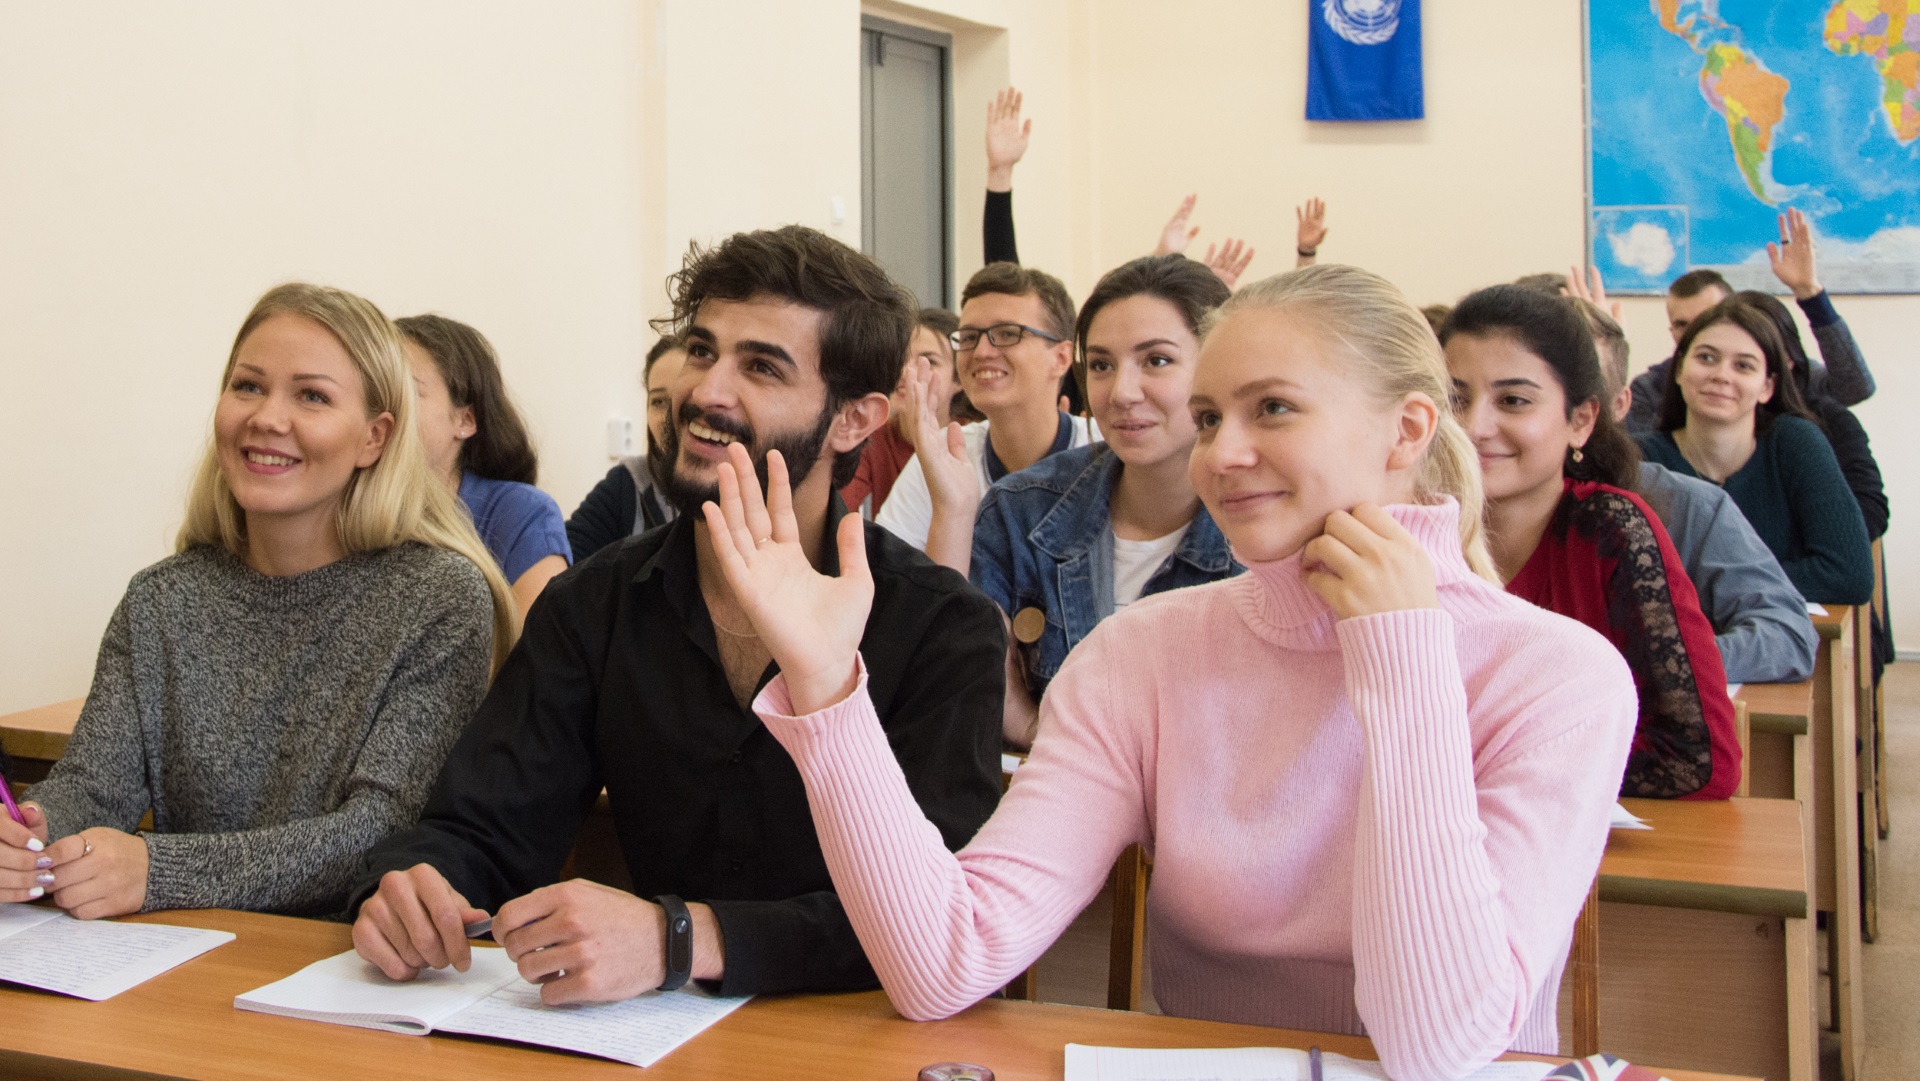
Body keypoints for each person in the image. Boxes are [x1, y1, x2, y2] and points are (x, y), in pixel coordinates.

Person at [713, 264, 1638, 1081]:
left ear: (1407, 429)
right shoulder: (1143, 653)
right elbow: (943, 960)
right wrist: (831, 684)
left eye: (1272, 407)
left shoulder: (1558, 677)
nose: (1221, 455)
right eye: (1208, 417)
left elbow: (1437, 1048)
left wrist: (1401, 661)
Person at [348, 226, 1005, 1006]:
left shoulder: (944, 629)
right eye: (701, 350)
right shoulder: (596, 603)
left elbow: (945, 913)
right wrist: (417, 886)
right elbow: (485, 827)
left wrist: (684, 937)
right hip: (648, 1043)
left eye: (760, 366)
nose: (705, 391)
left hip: (865, 1037)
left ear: (854, 419)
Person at [0, 284, 510, 919]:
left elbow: (381, 832)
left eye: (312, 396)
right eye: (247, 386)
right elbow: (93, 787)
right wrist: (34, 829)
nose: (267, 418)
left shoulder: (437, 598)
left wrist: (160, 870)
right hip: (184, 962)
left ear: (373, 439)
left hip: (348, 971)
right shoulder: (162, 600)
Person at [1443, 285, 1740, 799]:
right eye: (1455, 399)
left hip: (1576, 848)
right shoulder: (1401, 530)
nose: (1474, 427)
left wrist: (1495, 766)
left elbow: (1697, 758)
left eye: (1513, 401)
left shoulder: (1612, 533)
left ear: (1580, 421)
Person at [970, 255, 1238, 748]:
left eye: (1156, 360)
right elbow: (976, 684)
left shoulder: (1263, 527)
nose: (1121, 392)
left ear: (1216, 367)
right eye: (1100, 365)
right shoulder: (1021, 511)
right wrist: (1034, 730)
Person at [1573, 299, 1817, 684]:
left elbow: (1788, 633)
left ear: (1615, 405)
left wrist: (1658, 662)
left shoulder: (1686, 502)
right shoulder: (1460, 506)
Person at [1637, 298, 1874, 606]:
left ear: (1767, 386)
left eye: (1744, 365)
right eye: (1706, 358)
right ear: (1680, 369)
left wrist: (1703, 588)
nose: (1721, 375)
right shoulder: (1641, 457)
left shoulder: (1796, 441)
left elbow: (1849, 576)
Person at [877, 262, 1098, 567]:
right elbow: (888, 579)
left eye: (1007, 333)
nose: (981, 352)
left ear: (1060, 358)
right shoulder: (943, 455)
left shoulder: (1105, 450)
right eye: (968, 337)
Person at [1625, 210, 1876, 433]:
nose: (1696, 333)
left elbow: (1855, 388)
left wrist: (1810, 293)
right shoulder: (1651, 388)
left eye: (1708, 319)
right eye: (1682, 325)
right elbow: (1635, 466)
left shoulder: (1786, 373)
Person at [398, 314, 571, 616]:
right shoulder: (343, 508)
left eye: (406, 391)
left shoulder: (521, 512)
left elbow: (533, 653)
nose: (384, 408)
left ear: (464, 420)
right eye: (374, 390)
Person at [566, 335, 688, 561]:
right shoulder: (626, 485)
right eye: (658, 401)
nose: (669, 417)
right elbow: (564, 563)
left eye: (684, 397)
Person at [840, 308, 960, 518]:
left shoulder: (972, 441)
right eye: (901, 358)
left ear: (959, 380)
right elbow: (838, 514)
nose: (905, 372)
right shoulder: (871, 436)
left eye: (929, 362)